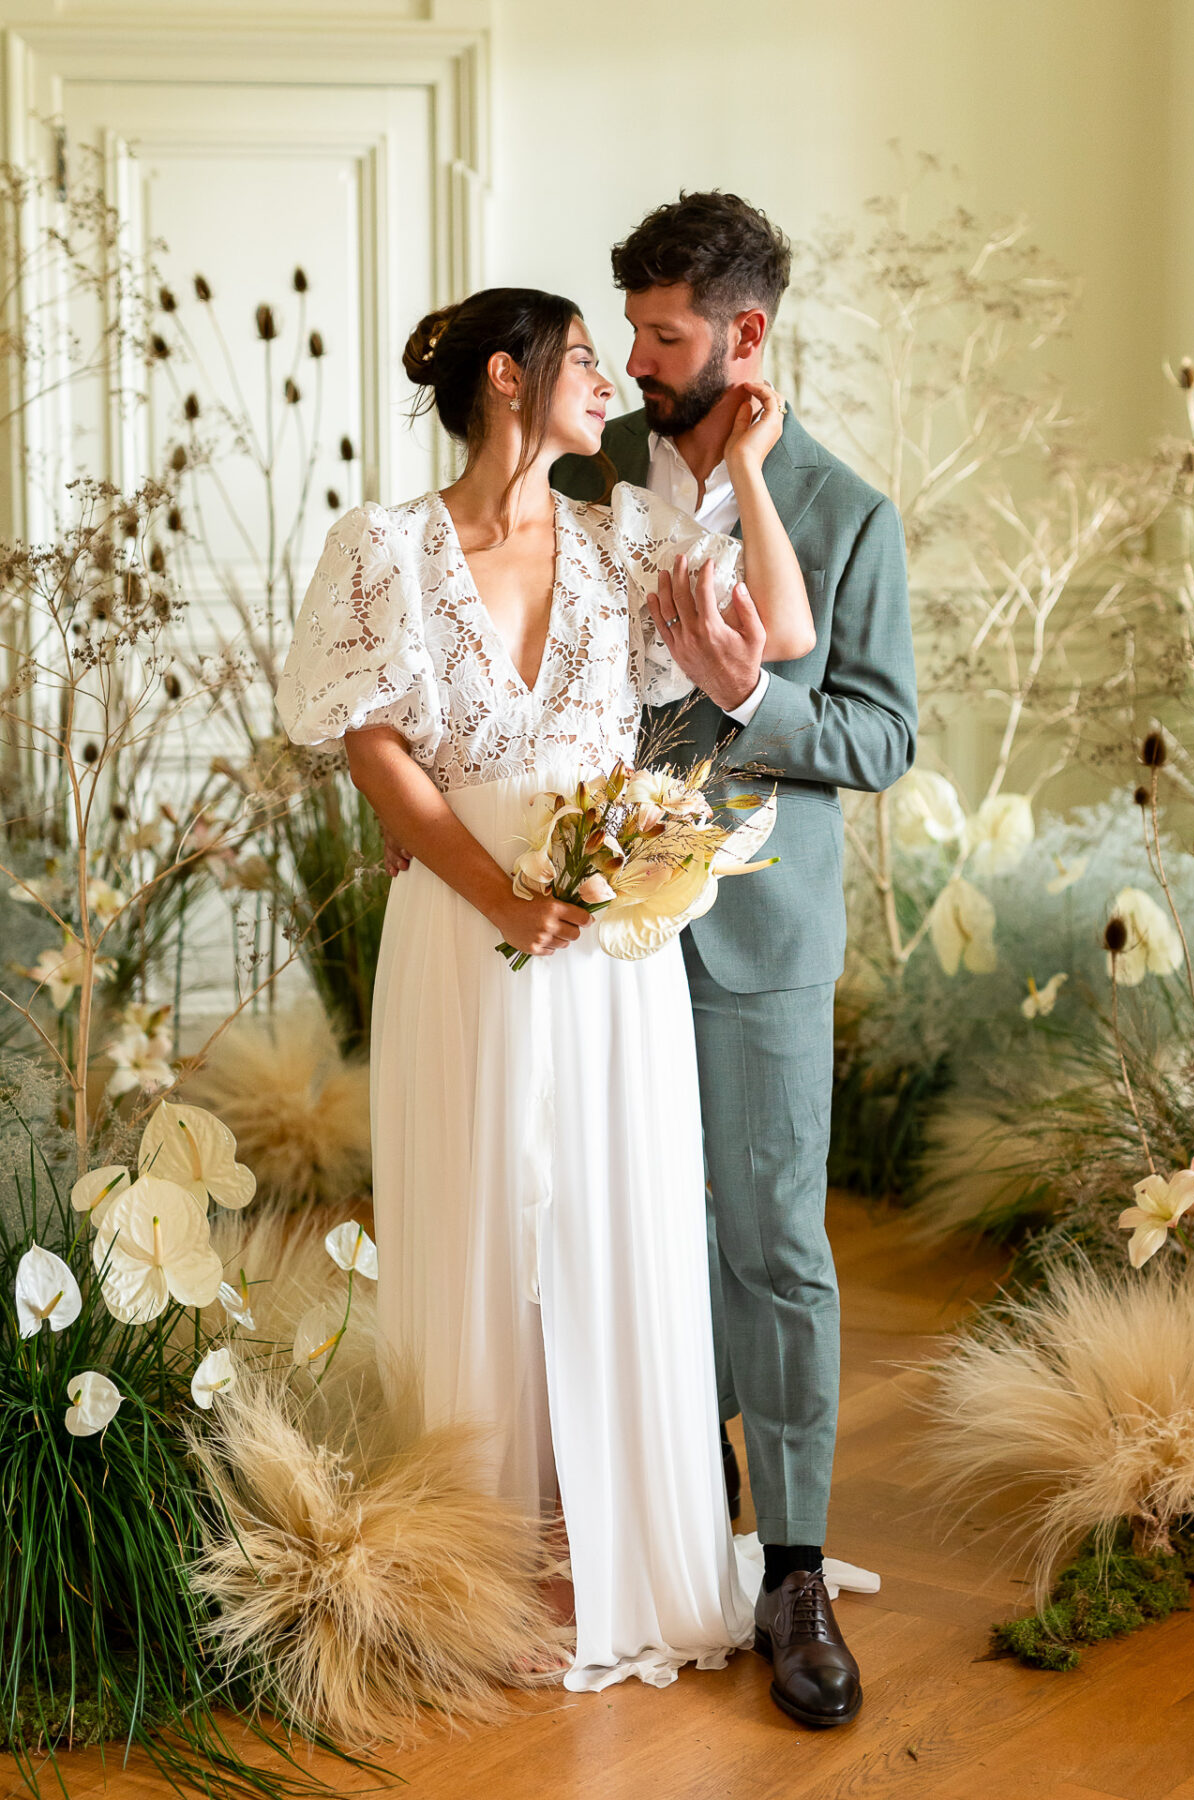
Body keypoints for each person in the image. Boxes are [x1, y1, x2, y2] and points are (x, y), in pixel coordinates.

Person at [273, 287, 815, 1694]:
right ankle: (468, 1553)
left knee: (613, 1205)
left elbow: (784, 629)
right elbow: (374, 745)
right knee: (470, 1208)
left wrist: (747, 470)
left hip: (606, 945)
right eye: (586, 360)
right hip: (461, 930)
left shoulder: (620, 534)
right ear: (509, 380)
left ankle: (627, 1535)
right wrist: (499, 890)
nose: (608, 385)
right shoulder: (384, 548)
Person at [553, 192, 918, 1729]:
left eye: (665, 333)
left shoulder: (845, 514)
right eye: (629, 328)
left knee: (772, 1245)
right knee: (623, 1221)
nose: (636, 358)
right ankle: (659, 1516)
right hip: (603, 928)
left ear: (745, 336)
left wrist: (750, 702)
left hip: (765, 935)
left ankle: (796, 1573)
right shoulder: (590, 477)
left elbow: (882, 737)